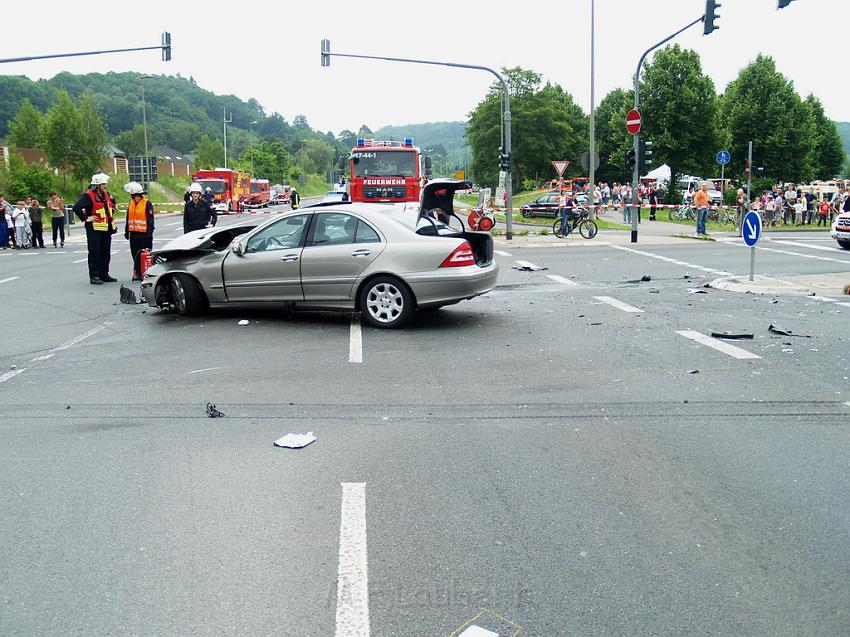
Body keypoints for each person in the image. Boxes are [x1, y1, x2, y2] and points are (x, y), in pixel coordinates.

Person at [73, 172, 118, 284]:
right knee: (95, 253)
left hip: (106, 228)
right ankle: (94, 276)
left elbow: (110, 206)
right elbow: (77, 207)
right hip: (94, 229)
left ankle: (104, 274)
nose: (105, 186)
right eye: (103, 184)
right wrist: (86, 218)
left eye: (105, 184)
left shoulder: (106, 194)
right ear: (97, 185)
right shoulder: (88, 195)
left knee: (105, 253)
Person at [123, 181, 155, 281]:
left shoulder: (146, 203)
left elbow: (150, 219)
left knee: (145, 255)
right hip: (134, 234)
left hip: (144, 235)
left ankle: (146, 272)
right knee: (135, 254)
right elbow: (128, 217)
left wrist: (149, 233)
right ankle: (137, 272)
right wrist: (127, 230)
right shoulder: (131, 203)